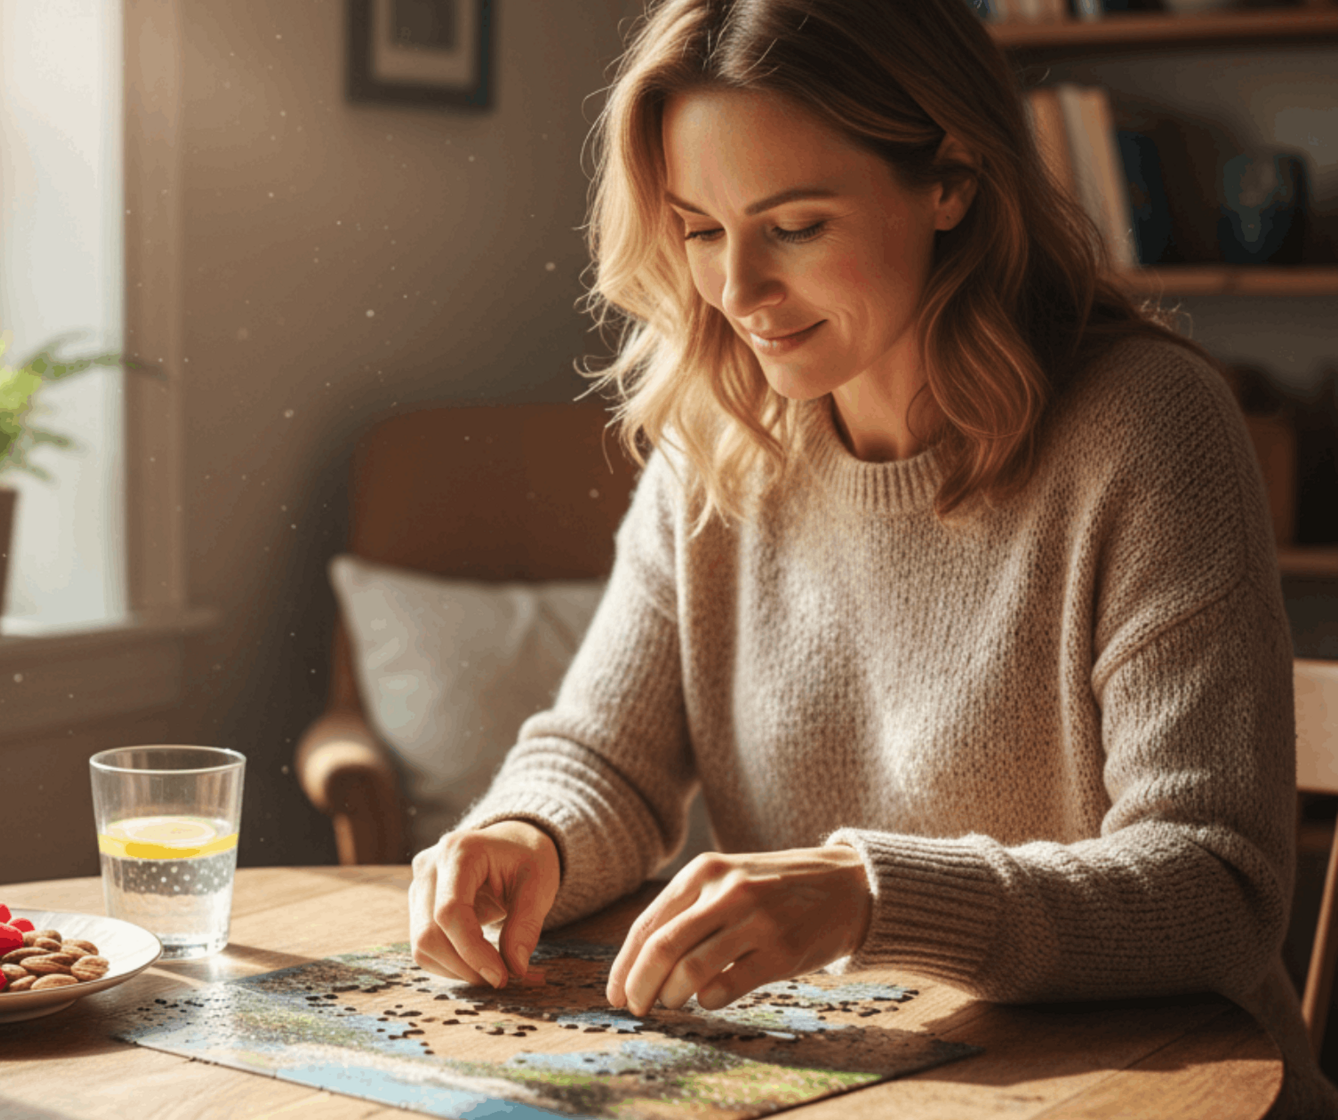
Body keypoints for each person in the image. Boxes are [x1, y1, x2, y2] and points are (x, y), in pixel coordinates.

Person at [407, 0, 1337, 1114]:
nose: (738, 293)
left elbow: (1216, 889)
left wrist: (865, 894)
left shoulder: (1147, 427)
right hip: (850, 1088)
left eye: (793, 225)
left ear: (951, 181)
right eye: (700, 227)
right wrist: (526, 830)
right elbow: (607, 756)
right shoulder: (722, 432)